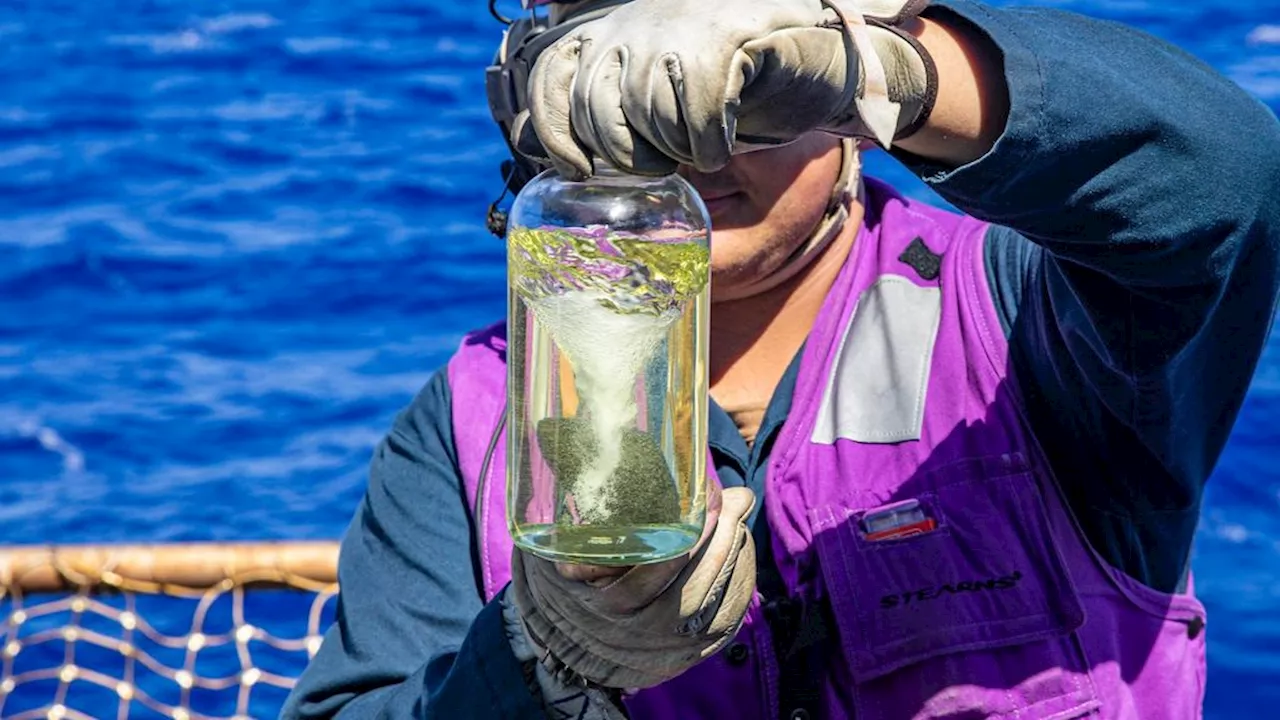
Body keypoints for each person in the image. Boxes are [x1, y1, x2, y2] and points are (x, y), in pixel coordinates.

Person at [282, 0, 1280, 717]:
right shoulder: (472, 419)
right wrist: (537, 661)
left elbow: (1223, 186)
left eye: (747, 95)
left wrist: (892, 70)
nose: (700, 142)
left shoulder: (1030, 316)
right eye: (634, 94)